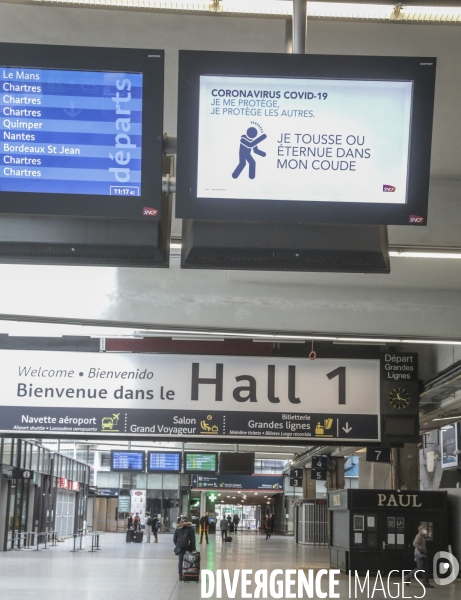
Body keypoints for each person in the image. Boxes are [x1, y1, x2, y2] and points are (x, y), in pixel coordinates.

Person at [173, 516, 196, 581]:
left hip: (180, 547)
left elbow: (174, 539)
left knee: (180, 561)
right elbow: (193, 539)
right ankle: (187, 574)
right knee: (188, 561)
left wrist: (178, 545)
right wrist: (193, 548)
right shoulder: (190, 528)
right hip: (188, 547)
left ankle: (180, 576)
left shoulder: (178, 528)